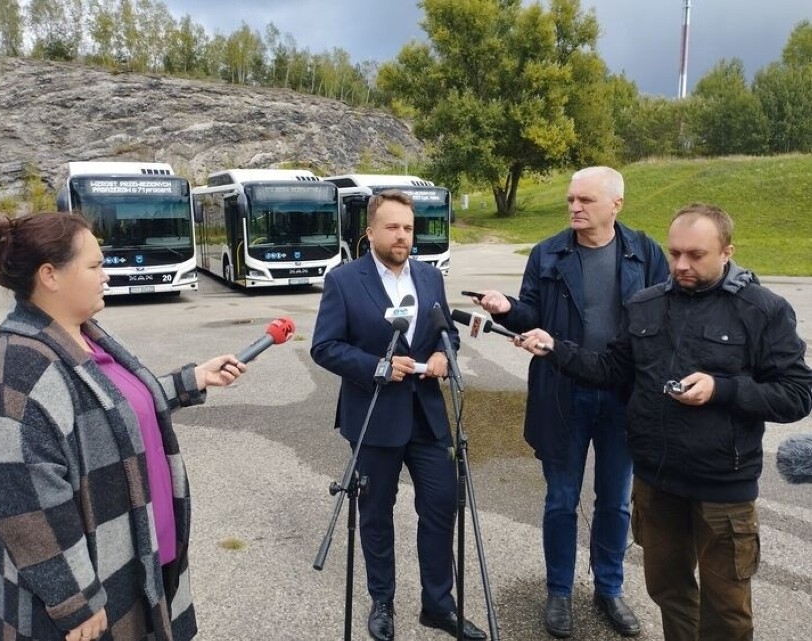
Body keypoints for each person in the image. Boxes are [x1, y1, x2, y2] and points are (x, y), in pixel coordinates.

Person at [519, 203, 812, 641]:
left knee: (726, 611)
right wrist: (556, 349)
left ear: (727, 251)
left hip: (722, 489)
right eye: (674, 253)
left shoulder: (762, 309)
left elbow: (796, 393)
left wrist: (722, 389)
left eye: (695, 255)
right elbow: (610, 370)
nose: (680, 265)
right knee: (668, 592)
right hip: (657, 483)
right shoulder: (646, 304)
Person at [0, 212, 246, 641]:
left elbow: (112, 408)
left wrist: (190, 381)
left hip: (138, 557)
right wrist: (73, 600)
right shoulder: (17, 370)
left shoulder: (85, 335)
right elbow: (24, 504)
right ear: (50, 275)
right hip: (88, 590)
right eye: (95, 265)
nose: (107, 274)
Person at [474, 166, 669, 638]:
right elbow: (531, 313)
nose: (575, 208)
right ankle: (559, 592)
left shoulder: (645, 254)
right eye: (570, 200)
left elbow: (665, 319)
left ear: (616, 205)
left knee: (616, 503)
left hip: (623, 397)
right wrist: (507, 309)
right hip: (563, 392)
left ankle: (609, 588)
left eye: (585, 200)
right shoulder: (547, 253)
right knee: (561, 500)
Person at [311, 190, 486, 641]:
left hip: (427, 416)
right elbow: (325, 347)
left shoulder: (429, 278)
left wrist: (444, 353)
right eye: (392, 227)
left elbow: (447, 334)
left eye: (408, 227)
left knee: (441, 505)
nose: (402, 235)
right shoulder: (345, 281)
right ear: (370, 232)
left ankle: (438, 605)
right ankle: (382, 601)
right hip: (374, 417)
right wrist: (378, 367)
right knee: (376, 514)